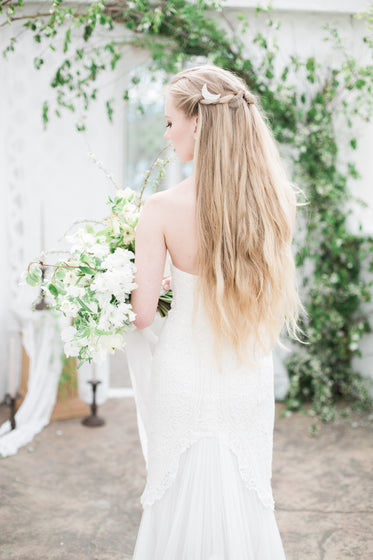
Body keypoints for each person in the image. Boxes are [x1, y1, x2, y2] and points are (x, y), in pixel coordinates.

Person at [128, 64, 302, 560]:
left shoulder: (160, 209)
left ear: (198, 123)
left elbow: (142, 316)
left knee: (177, 490)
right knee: (244, 495)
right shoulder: (277, 203)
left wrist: (125, 288)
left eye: (168, 121)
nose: (166, 133)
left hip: (182, 371)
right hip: (244, 369)